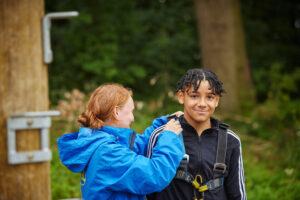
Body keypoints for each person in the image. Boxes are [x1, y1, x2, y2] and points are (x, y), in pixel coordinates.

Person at [57, 83, 185, 200]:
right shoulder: (108, 154)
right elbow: (155, 175)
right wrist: (169, 138)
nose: (133, 118)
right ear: (116, 112)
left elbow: (137, 146)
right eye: (131, 111)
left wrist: (163, 123)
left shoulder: (99, 142)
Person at [147, 69, 247, 200]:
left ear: (217, 100)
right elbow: (147, 189)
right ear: (181, 96)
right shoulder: (161, 135)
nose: (202, 104)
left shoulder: (230, 140)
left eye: (210, 97)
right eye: (194, 96)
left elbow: (237, 194)